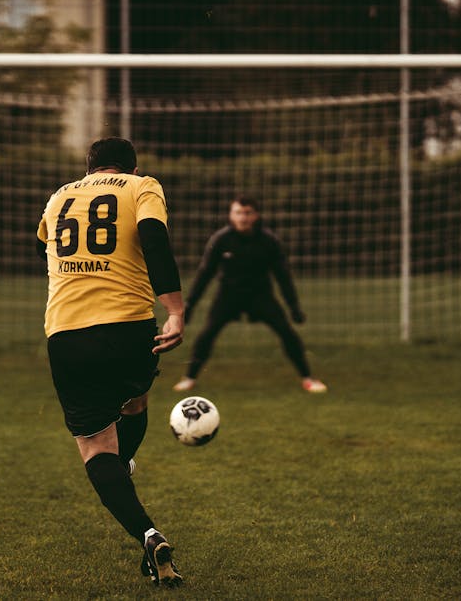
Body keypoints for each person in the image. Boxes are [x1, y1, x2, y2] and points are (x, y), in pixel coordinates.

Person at [37, 137, 186, 587]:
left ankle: (147, 532)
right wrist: (175, 310)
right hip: (128, 325)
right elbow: (154, 240)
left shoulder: (60, 195)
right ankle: (122, 471)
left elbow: (45, 244)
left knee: (96, 449)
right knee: (135, 401)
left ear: (89, 167)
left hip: (66, 332)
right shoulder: (141, 186)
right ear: (131, 166)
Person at [173, 196, 328, 394]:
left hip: (260, 295)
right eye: (238, 212)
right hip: (228, 295)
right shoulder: (221, 240)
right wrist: (190, 305)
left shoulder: (269, 242)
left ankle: (308, 378)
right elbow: (205, 274)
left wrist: (294, 307)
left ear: (256, 215)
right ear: (231, 215)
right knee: (208, 333)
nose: (243, 218)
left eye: (247, 213)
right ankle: (189, 378)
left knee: (287, 332)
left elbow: (283, 276)